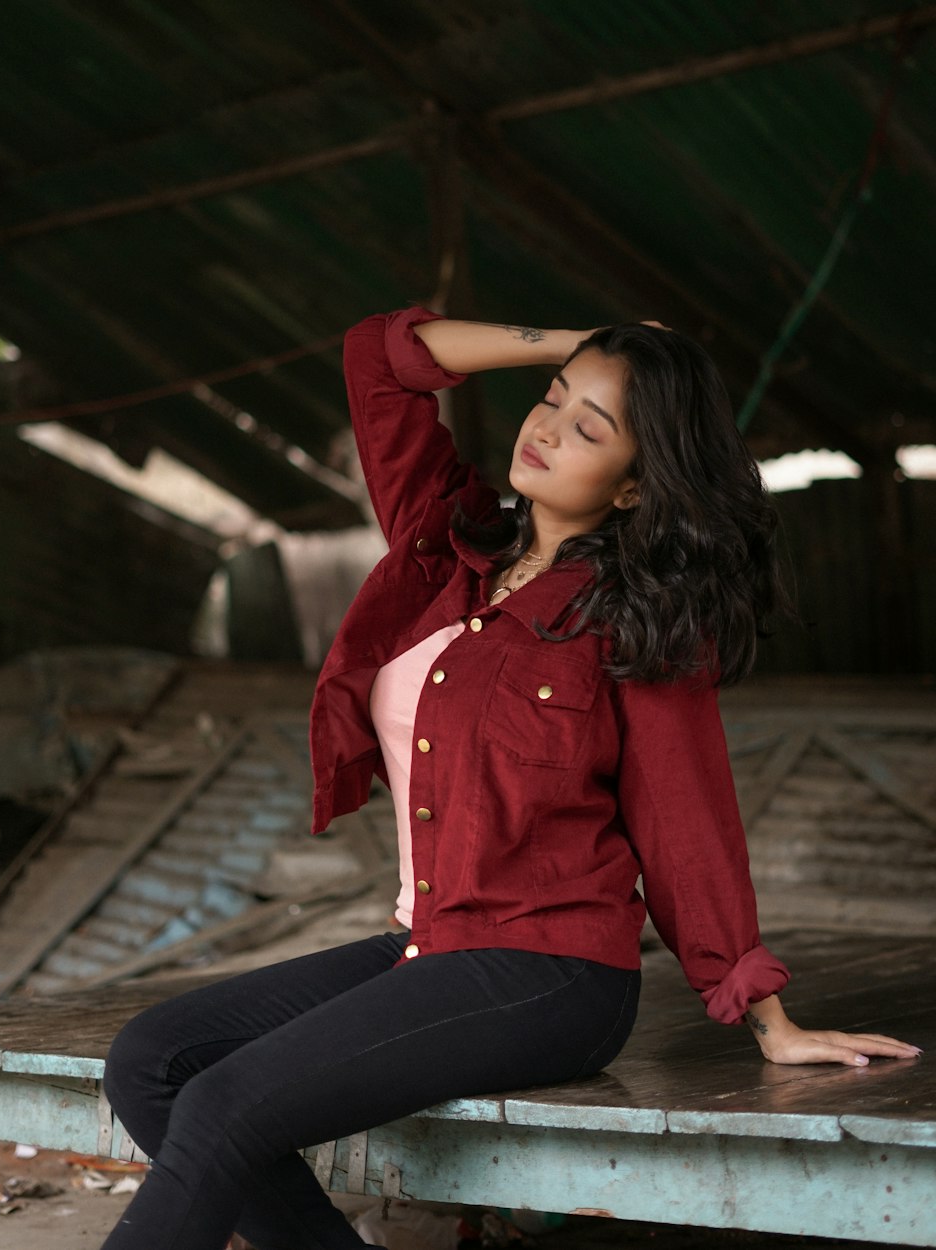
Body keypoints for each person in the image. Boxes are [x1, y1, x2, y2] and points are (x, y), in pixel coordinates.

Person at [99, 309, 920, 1250]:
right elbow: (379, 358)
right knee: (153, 1061)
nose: (546, 426)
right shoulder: (443, 544)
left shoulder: (638, 623)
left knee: (229, 1104)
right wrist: (572, 340)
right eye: (551, 399)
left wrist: (767, 1018)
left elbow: (689, 826)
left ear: (633, 485)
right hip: (430, 942)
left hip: (554, 973)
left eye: (588, 428)